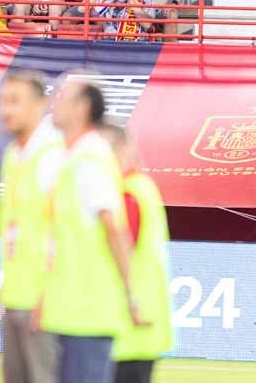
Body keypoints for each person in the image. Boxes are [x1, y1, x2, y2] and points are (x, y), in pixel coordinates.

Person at [43, 79, 138, 383]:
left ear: (82, 108)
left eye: (62, 97)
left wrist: (130, 292)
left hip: (89, 310)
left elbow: (115, 230)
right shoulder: (70, 157)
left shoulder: (90, 160)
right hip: (67, 306)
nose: (53, 102)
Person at [0, 72, 63, 383]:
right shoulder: (14, 154)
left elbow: (64, 231)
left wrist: (50, 292)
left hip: (45, 300)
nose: (5, 110)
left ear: (40, 105)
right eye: (3, 102)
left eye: (15, 102)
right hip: (17, 294)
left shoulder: (53, 156)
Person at [102, 124, 172, 383]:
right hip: (141, 321)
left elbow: (121, 251)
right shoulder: (142, 187)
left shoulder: (125, 194)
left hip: (124, 324)